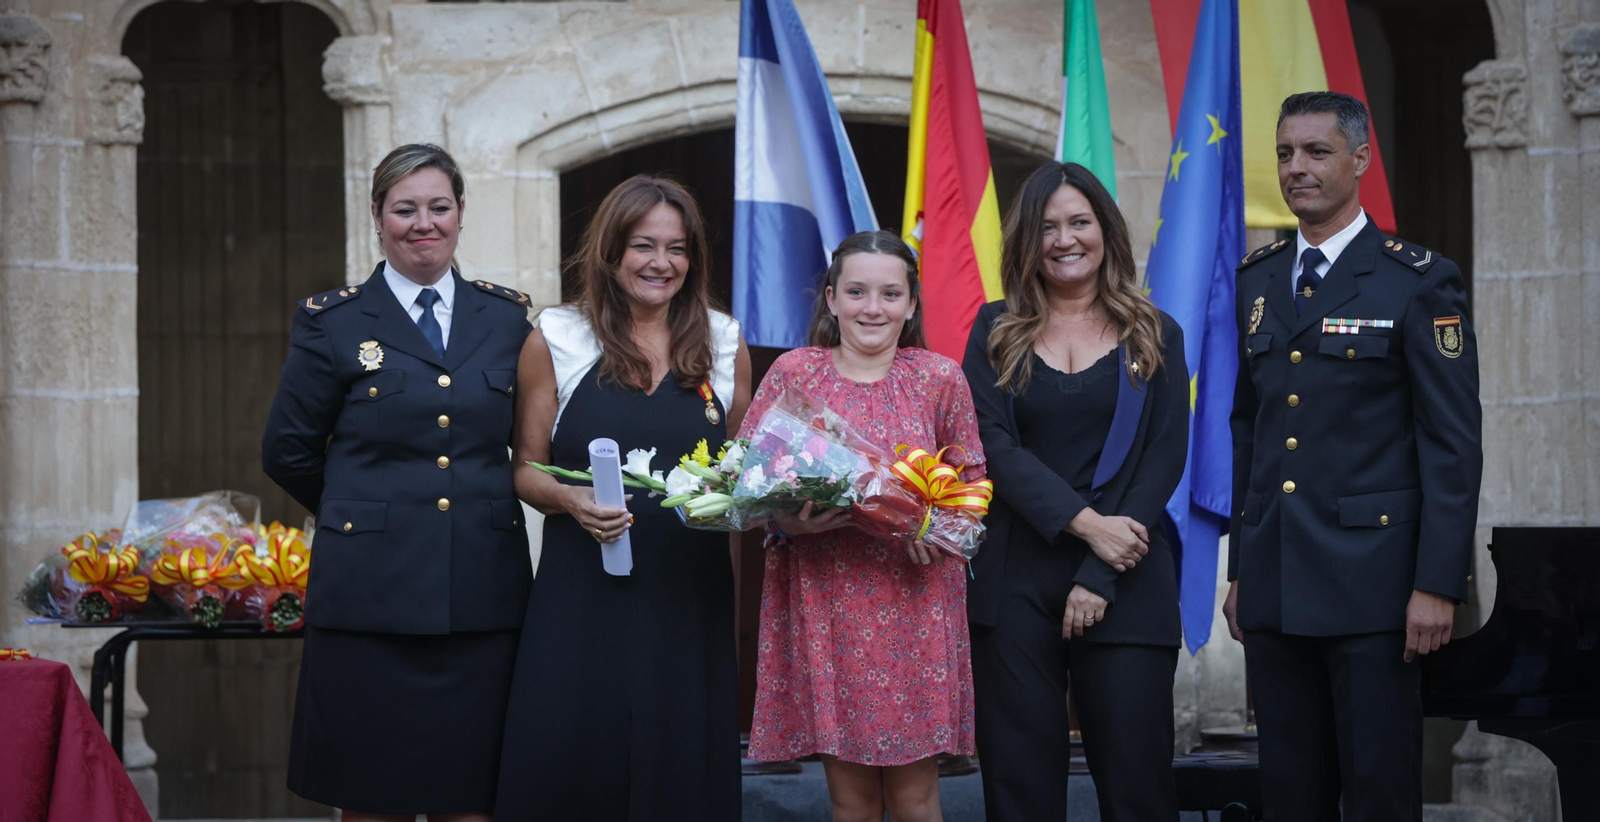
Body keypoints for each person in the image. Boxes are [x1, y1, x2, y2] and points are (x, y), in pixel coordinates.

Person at [1223, 91, 1483, 822]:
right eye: (1284, 153)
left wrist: (1438, 583)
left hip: (1376, 590)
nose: (1295, 168)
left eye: (1315, 151)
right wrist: (1243, 569)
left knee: (1376, 793)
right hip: (1275, 584)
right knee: (1290, 795)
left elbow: (1452, 444)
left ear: (1360, 159)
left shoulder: (1417, 278)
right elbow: (1254, 430)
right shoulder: (1259, 278)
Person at [261, 143, 533, 822]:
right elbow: (287, 450)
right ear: (378, 216)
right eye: (405, 208)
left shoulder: (505, 320)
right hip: (369, 600)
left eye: (438, 207)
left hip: (481, 598)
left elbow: (531, 443)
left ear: (461, 214)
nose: (423, 223)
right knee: (370, 800)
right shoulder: (336, 322)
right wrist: (368, 513)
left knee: (472, 801)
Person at [495, 175, 750, 820]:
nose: (661, 263)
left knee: (682, 769)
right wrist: (570, 501)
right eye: (643, 245)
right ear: (610, 252)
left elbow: (747, 472)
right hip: (583, 593)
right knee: (577, 762)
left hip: (690, 596)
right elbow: (525, 468)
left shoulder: (723, 341)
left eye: (678, 248)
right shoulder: (556, 337)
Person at [961, 162, 1189, 821]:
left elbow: (1163, 460)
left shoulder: (1155, 332)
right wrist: (1088, 526)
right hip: (1015, 584)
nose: (1065, 239)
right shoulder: (994, 328)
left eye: (1079, 222)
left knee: (1138, 789)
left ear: (1106, 231)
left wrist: (1098, 568)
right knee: (1020, 791)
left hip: (1129, 575)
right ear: (1027, 241)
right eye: (1048, 226)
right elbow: (993, 446)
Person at [741, 230, 985, 822]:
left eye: (889, 293)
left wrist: (940, 528)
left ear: (910, 303)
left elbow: (971, 480)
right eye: (855, 291)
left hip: (916, 603)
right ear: (830, 298)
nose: (872, 308)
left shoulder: (939, 377)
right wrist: (790, 526)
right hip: (830, 597)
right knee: (849, 800)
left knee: (915, 796)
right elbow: (748, 478)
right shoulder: (794, 373)